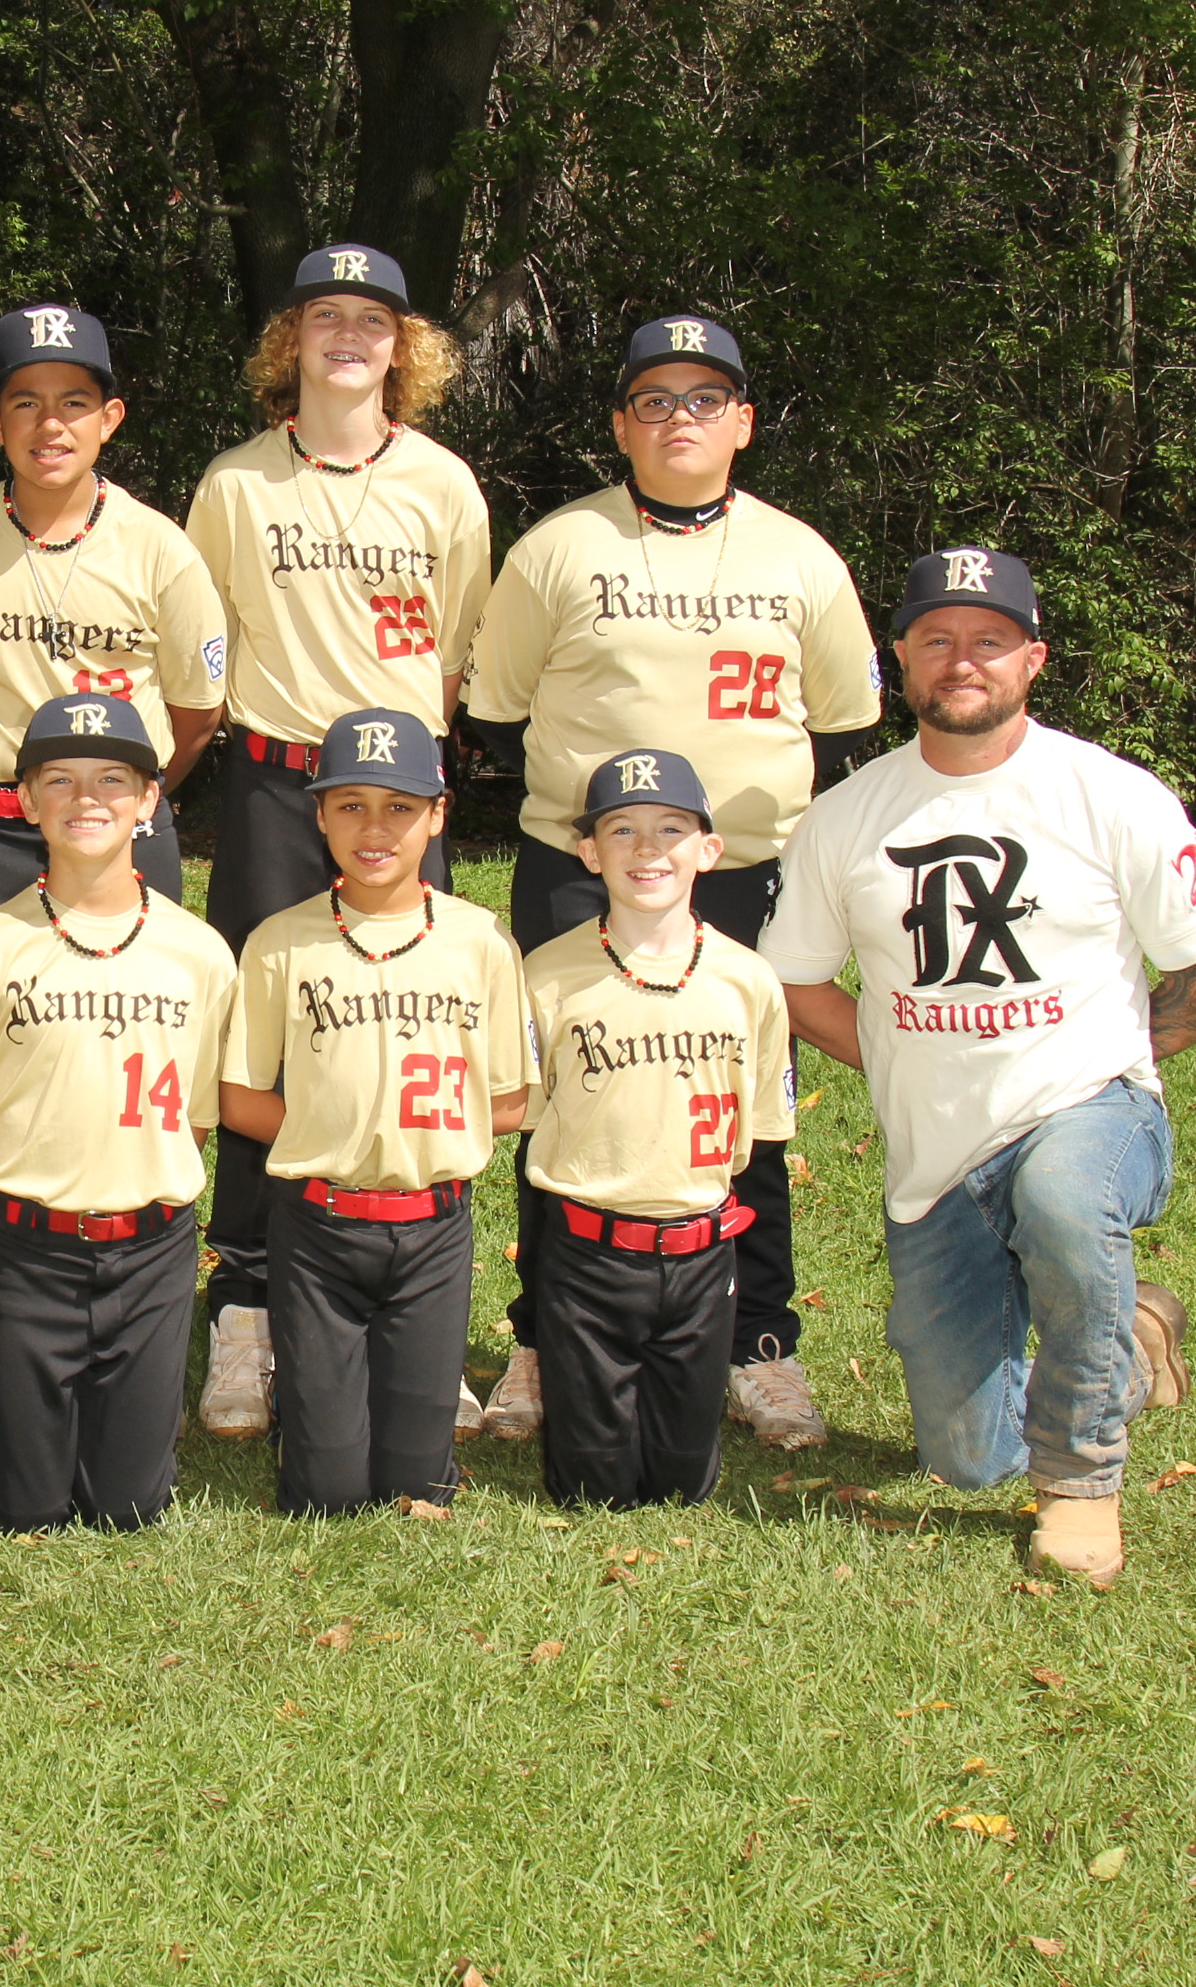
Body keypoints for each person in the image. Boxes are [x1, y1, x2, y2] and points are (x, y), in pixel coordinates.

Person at [762, 547, 1196, 1588]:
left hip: (1092, 1111)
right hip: (937, 1162)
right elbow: (794, 981)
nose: (963, 660)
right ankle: (1129, 1340)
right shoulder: (847, 817)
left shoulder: (1112, 795)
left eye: (990, 640)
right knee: (969, 1459)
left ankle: (1081, 1486)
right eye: (937, 639)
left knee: (1065, 1199)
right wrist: (904, 1057)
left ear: (1034, 660)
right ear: (900, 658)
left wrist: (1099, 1054)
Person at [463, 313, 877, 1455]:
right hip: (582, 870)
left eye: (704, 398)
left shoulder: (801, 556)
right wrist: (600, 827)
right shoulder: (560, 546)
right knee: (564, 1098)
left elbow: (843, 725)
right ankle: (547, 1337)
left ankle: (757, 1340)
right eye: (655, 399)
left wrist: (735, 816)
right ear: (620, 425)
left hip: (744, 874)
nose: (679, 418)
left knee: (744, 1110)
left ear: (743, 422)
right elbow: (496, 713)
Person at [0, 303, 229, 1446]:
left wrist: (117, 812)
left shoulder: (159, 548)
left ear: (111, 418)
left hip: (117, 831)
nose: (51, 424)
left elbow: (193, 710)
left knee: (121, 1056)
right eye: (27, 402)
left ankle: (132, 1321)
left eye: (75, 402)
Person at [185, 244, 491, 1444]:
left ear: (404, 346)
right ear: (292, 339)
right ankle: (246, 1305)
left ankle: (419, 1312)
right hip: (277, 779)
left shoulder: (445, 486)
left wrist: (402, 781)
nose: (349, 336)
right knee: (260, 1042)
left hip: (398, 795)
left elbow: (451, 658)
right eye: (327, 316)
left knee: (411, 1027)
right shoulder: (236, 485)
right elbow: (204, 643)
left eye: (373, 318)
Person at [0, 694, 239, 1532]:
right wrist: (27, 1203)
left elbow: (195, 1116)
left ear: (149, 800)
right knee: (22, 1509)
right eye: (59, 780)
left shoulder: (200, 953)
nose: (86, 798)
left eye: (112, 779)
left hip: (152, 1248)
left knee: (129, 1507)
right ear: (26, 801)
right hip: (28, 1249)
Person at [220, 709, 529, 1517]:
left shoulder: (480, 941)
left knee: (416, 1481)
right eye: (351, 805)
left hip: (434, 1227)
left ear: (438, 814)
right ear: (318, 815)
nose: (375, 828)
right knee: (325, 1490)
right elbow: (240, 1098)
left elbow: (509, 1098)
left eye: (400, 806)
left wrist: (413, 1133)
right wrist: (340, 1135)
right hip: (317, 1226)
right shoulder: (280, 941)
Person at [519, 749, 791, 1511]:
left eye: (672, 829)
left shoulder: (749, 981)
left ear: (710, 850)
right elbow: (529, 1115)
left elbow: (760, 1134)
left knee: (682, 1485)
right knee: (592, 1490)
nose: (647, 849)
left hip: (702, 1251)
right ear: (588, 852)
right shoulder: (548, 975)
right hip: (586, 1254)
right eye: (622, 830)